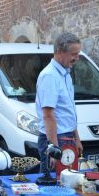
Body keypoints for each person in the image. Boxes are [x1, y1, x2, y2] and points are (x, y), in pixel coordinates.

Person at [35, 32, 83, 173]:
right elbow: (48, 115)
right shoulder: (50, 76)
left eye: (78, 53)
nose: (77, 58)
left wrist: (77, 139)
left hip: (67, 137)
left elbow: (68, 110)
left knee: (67, 182)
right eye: (73, 54)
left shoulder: (66, 74)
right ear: (59, 52)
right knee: (52, 187)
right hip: (55, 140)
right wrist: (54, 149)